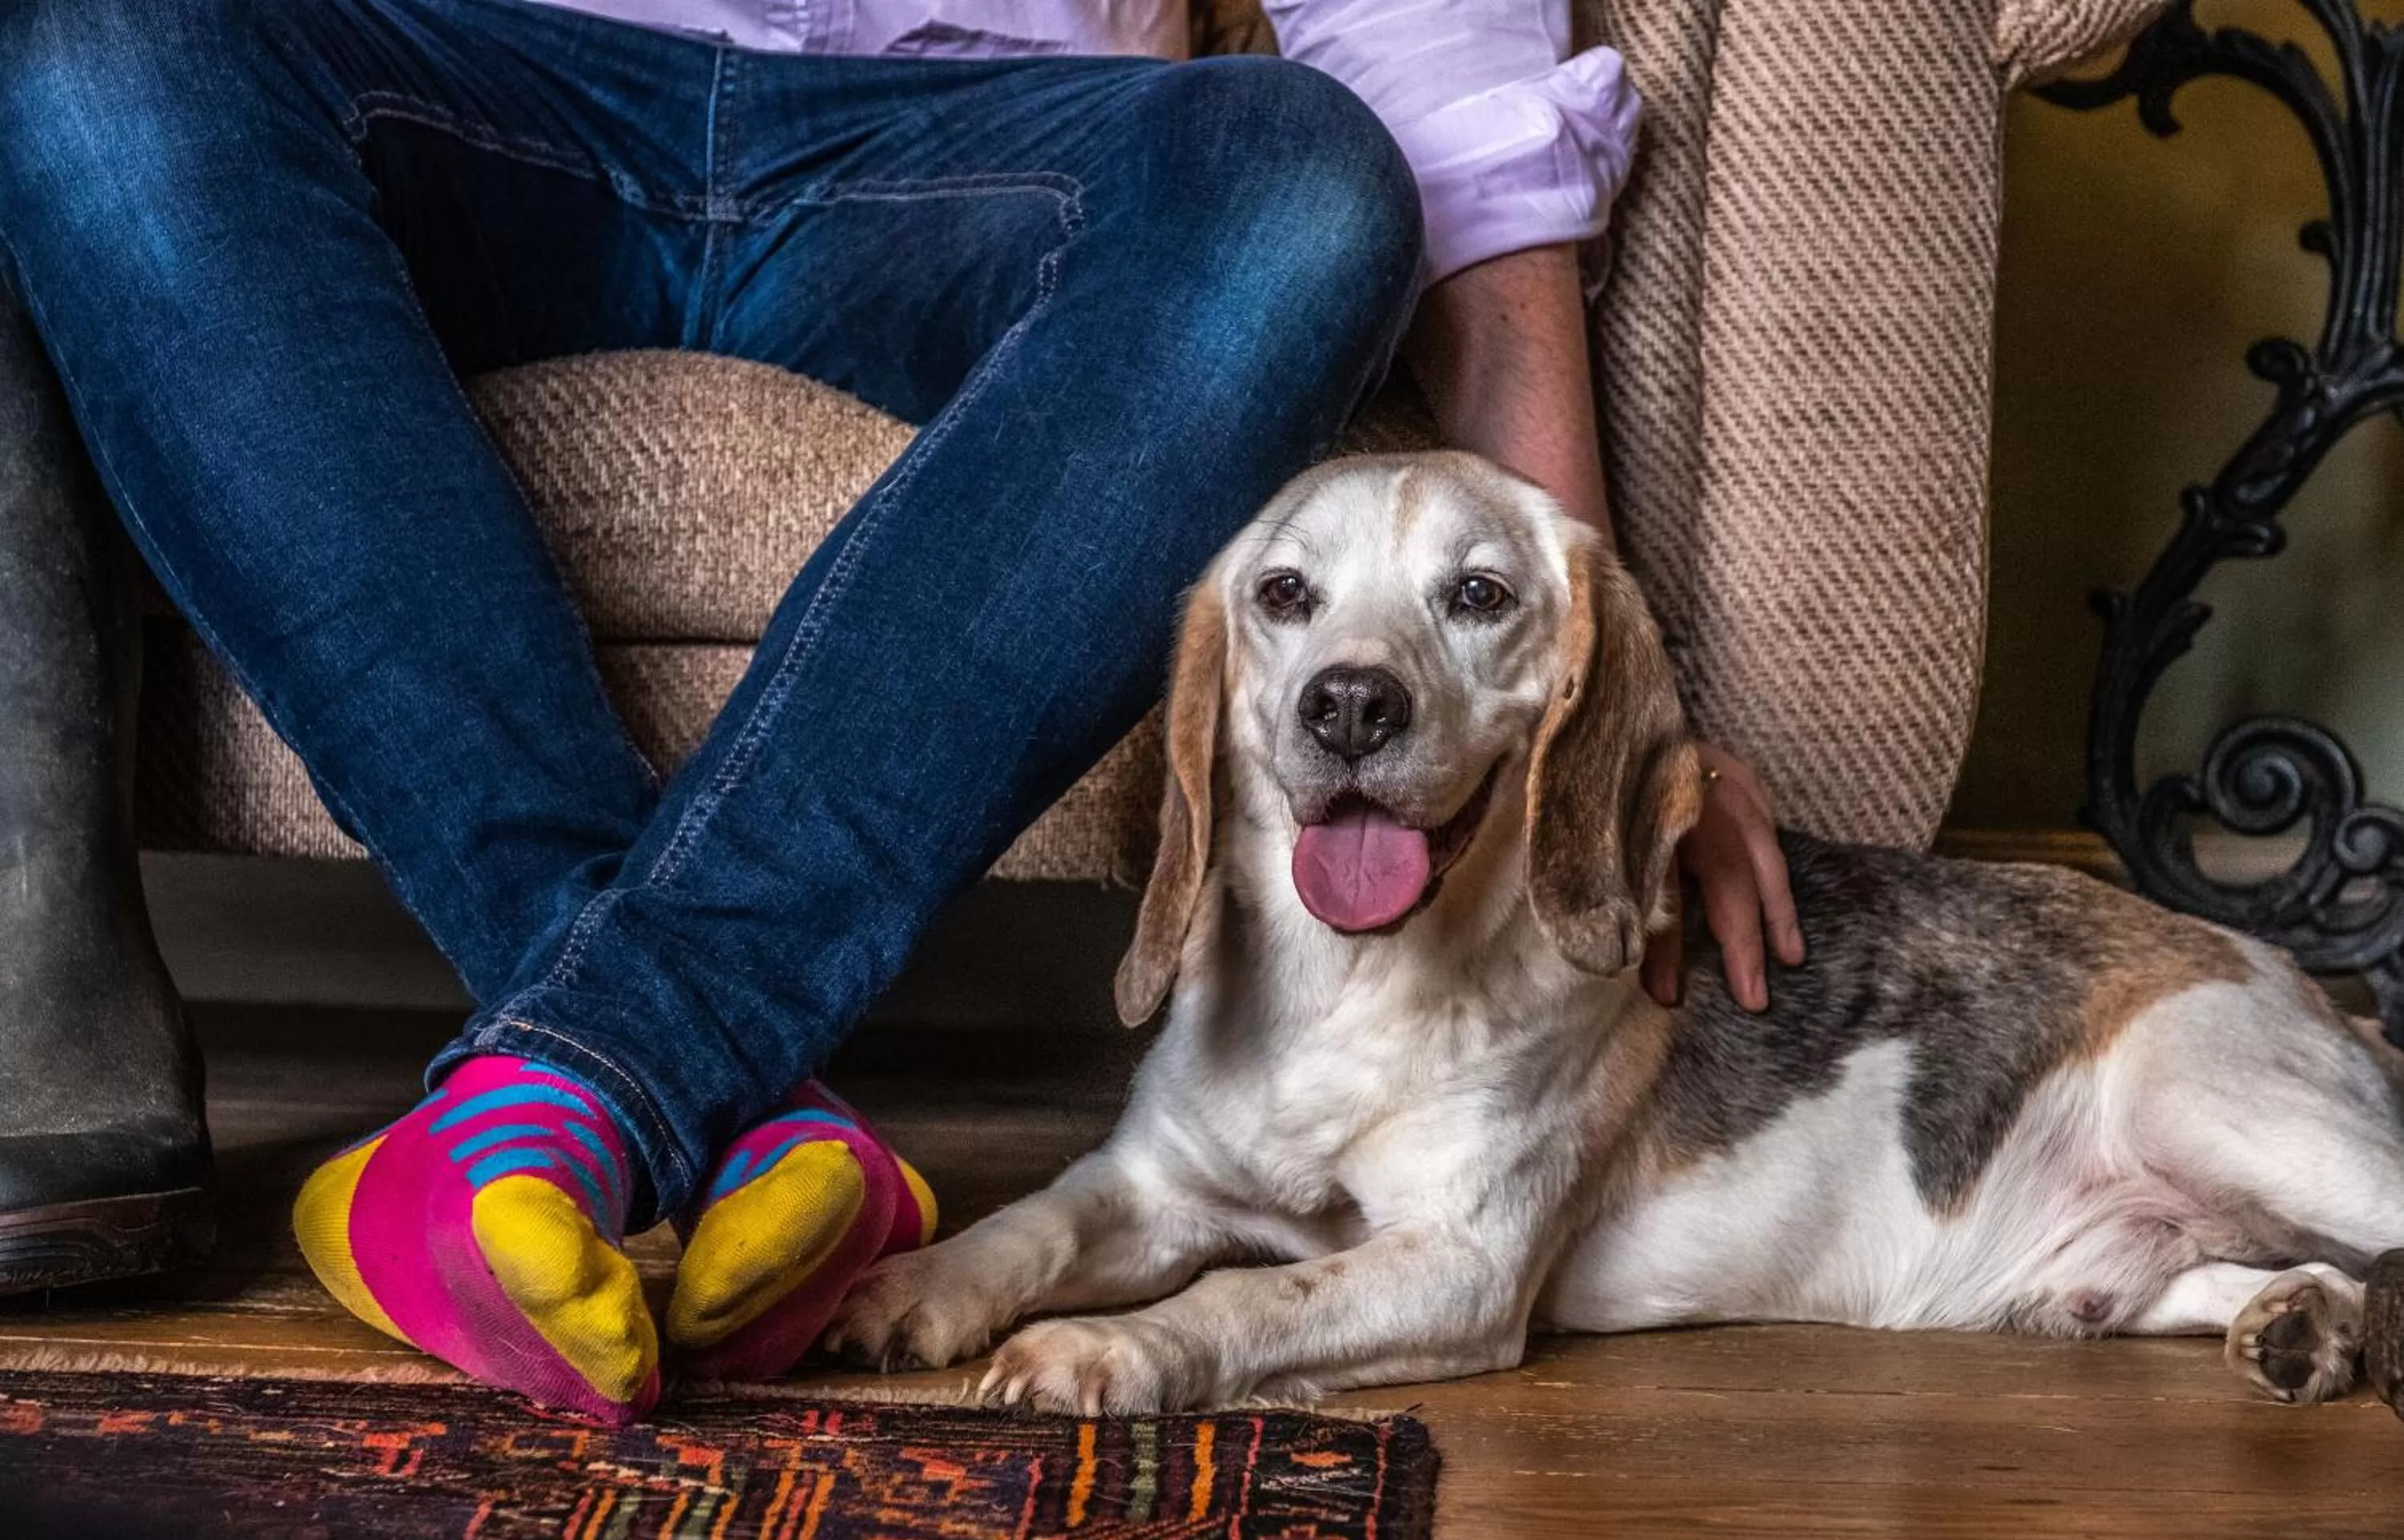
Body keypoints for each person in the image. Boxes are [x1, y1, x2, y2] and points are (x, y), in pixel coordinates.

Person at [0, 0, 1797, 1419]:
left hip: (990, 145)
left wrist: (1608, 684)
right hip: (462, 78)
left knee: (1306, 175)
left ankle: (570, 1079)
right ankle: (688, 1079)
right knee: (94, 42)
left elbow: (1437, 53)